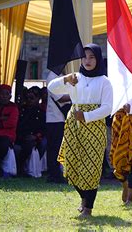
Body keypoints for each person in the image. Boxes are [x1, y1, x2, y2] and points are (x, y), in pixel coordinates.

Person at [48, 43, 112, 217]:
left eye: (92, 57)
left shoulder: (104, 81)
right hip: (73, 126)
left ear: (98, 59)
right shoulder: (75, 77)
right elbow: (51, 88)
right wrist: (65, 79)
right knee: (71, 163)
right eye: (85, 57)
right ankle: (84, 199)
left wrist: (86, 116)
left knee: (91, 167)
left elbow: (107, 108)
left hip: (94, 127)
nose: (88, 60)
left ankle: (88, 208)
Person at [46, 72, 71, 183]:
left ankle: (59, 173)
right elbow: (60, 98)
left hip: (62, 118)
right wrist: (76, 95)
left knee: (60, 147)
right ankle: (54, 174)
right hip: (54, 119)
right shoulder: (52, 77)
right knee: (55, 148)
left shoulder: (62, 75)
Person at [15, 86, 46, 176]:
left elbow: (44, 129)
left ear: (38, 99)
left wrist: (35, 136)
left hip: (34, 138)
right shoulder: (21, 110)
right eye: (27, 98)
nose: (29, 100)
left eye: (32, 98)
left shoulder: (41, 112)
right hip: (21, 136)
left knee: (29, 145)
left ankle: (21, 169)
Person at [0, 85, 19, 176]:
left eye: (6, 94)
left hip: (7, 135)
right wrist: (1, 119)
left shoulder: (14, 108)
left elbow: (11, 123)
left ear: (10, 96)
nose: (3, 96)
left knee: (3, 146)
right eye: (2, 94)